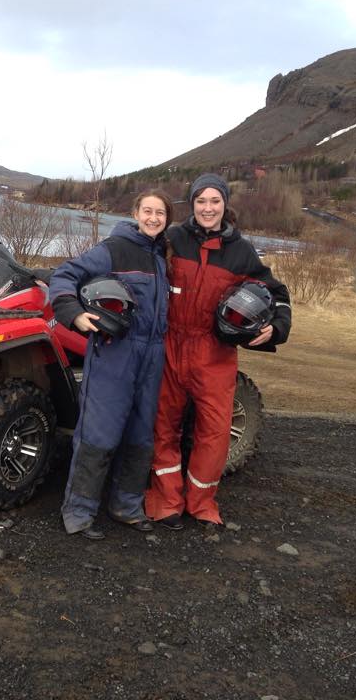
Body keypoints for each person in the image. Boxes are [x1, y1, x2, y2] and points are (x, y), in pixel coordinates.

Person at [145, 173, 291, 529]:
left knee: (215, 431)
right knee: (163, 427)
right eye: (200, 201)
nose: (207, 208)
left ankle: (202, 503)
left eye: (214, 201)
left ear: (225, 205)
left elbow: (277, 295)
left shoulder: (241, 252)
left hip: (214, 354)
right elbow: (135, 257)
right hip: (171, 346)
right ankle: (166, 501)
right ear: (191, 204)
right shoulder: (173, 238)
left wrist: (277, 328)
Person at [49, 190, 173, 540]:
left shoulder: (164, 255)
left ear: (167, 218)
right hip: (115, 352)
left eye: (160, 213)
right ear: (135, 212)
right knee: (98, 435)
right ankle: (78, 512)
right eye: (147, 210)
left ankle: (126, 506)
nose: (153, 218)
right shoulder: (113, 249)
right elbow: (64, 276)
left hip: (153, 356)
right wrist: (74, 315)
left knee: (140, 435)